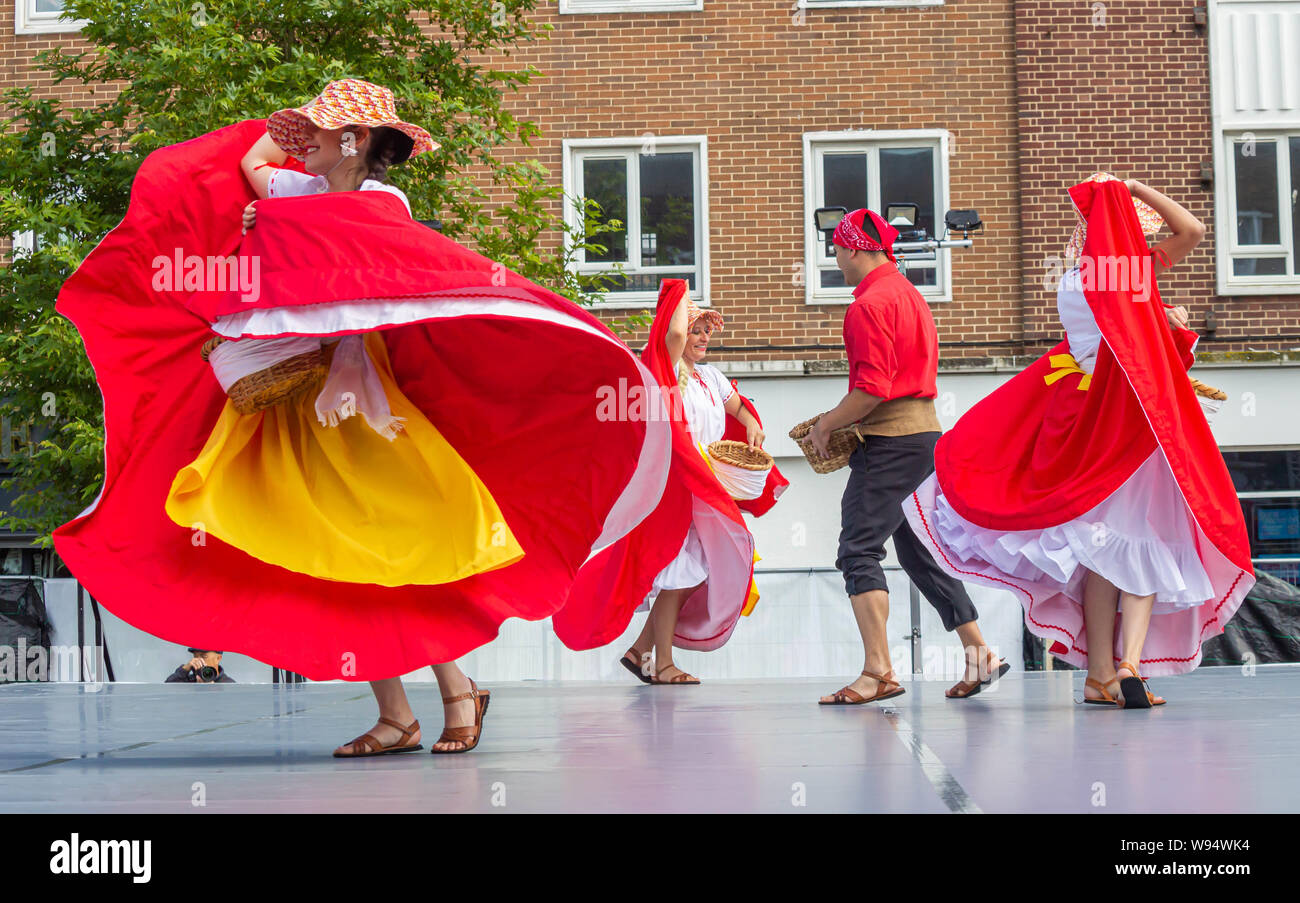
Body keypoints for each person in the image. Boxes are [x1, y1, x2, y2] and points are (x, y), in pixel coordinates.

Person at [53, 80, 669, 754]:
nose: (301, 143)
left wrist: (291, 225)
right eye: (304, 130)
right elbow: (254, 167)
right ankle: (398, 715)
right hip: (297, 413)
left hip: (361, 411)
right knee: (341, 564)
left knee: (405, 547)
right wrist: (284, 151)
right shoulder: (296, 195)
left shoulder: (383, 204)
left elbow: (381, 275)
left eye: (318, 131)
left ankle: (458, 688)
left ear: (356, 141)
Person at [902, 174, 1256, 707]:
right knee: (1141, 543)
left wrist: (1158, 315)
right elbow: (1194, 230)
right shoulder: (1135, 280)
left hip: (1084, 427)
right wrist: (1135, 190)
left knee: (1101, 548)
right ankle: (1129, 663)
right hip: (1132, 433)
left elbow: (1106, 335)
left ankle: (1101, 674)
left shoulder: (1078, 279)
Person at [809, 208, 1006, 705]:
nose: (835, 258)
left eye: (836, 248)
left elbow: (872, 388)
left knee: (857, 549)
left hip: (891, 443)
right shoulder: (911, 295)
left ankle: (877, 671)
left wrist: (826, 424)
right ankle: (980, 655)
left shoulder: (868, 305)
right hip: (925, 439)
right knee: (918, 552)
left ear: (854, 248)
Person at [552, 280, 787, 682]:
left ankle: (642, 651)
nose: (702, 337)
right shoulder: (665, 371)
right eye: (696, 329)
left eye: (706, 331)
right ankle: (661, 664)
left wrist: (751, 425)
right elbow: (673, 334)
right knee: (679, 569)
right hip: (677, 489)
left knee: (691, 569)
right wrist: (680, 292)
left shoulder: (710, 377)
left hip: (705, 490)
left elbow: (739, 407)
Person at [165, 648, 235, 683]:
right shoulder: (188, 680)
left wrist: (214, 691)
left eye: (204, 656)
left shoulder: (228, 684)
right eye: (195, 656)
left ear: (218, 658)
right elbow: (167, 690)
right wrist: (184, 669)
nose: (198, 661)